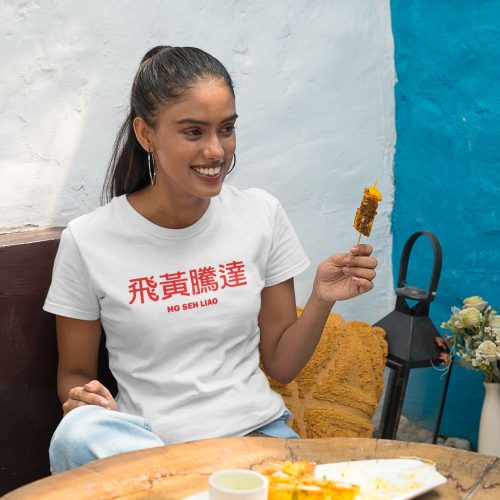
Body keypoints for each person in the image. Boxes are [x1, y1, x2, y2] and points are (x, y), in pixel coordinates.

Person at [44, 45, 377, 473]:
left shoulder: (261, 214)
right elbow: (73, 374)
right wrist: (84, 401)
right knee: (76, 435)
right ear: (146, 134)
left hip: (257, 441)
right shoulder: (88, 240)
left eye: (226, 129)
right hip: (153, 452)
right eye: (194, 132)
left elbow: (281, 365)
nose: (217, 151)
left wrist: (321, 298)